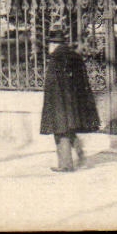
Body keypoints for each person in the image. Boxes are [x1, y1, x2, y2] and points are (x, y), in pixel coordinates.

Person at [39, 28, 100, 172]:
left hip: (59, 101)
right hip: (74, 101)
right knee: (69, 128)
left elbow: (53, 84)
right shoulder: (74, 56)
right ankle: (80, 153)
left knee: (60, 131)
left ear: (53, 44)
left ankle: (66, 165)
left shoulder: (56, 58)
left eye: (49, 44)